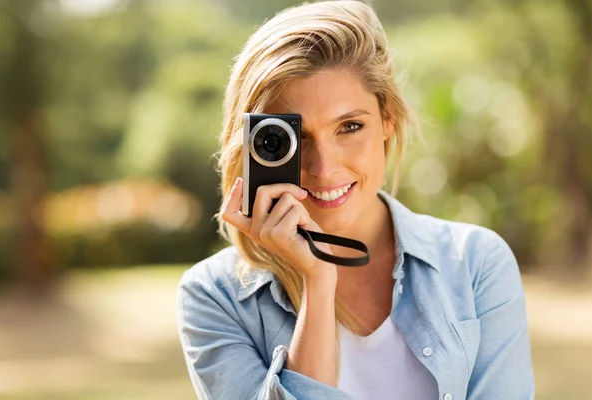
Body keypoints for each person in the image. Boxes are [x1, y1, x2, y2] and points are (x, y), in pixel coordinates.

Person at [176, 1, 535, 399]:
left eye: (349, 126)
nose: (324, 168)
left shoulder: (475, 264)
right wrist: (317, 281)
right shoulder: (214, 297)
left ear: (388, 120)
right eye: (296, 138)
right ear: (255, 145)